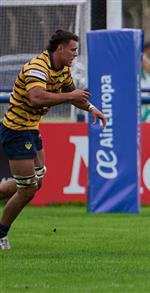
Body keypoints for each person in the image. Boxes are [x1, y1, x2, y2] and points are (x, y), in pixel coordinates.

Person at [0, 30, 106, 250]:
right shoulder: (37, 67)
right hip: (16, 130)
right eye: (73, 50)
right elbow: (37, 97)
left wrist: (91, 108)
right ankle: (1, 233)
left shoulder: (63, 70)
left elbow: (73, 93)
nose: (75, 55)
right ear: (60, 49)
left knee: (36, 182)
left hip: (31, 129)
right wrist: (71, 96)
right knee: (27, 188)